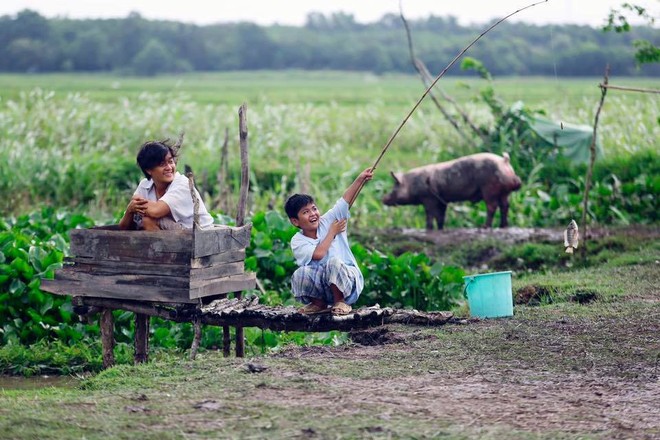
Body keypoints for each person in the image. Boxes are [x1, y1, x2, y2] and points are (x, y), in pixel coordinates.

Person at [284, 168, 373, 315]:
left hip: (347, 282)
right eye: (306, 212)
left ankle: (341, 302)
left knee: (333, 263)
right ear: (295, 221)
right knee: (300, 272)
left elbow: (345, 201)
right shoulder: (297, 240)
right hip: (324, 288)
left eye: (314, 209)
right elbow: (319, 254)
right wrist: (332, 232)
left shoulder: (328, 220)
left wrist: (360, 179)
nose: (313, 214)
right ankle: (319, 304)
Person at [119, 138, 213, 231]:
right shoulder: (145, 185)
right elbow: (123, 227)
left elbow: (155, 211)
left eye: (170, 162)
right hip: (177, 232)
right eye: (162, 164)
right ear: (149, 170)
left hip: (197, 233)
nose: (169, 167)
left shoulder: (182, 184)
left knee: (146, 220)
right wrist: (129, 210)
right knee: (141, 221)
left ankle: (161, 247)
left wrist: (137, 207)